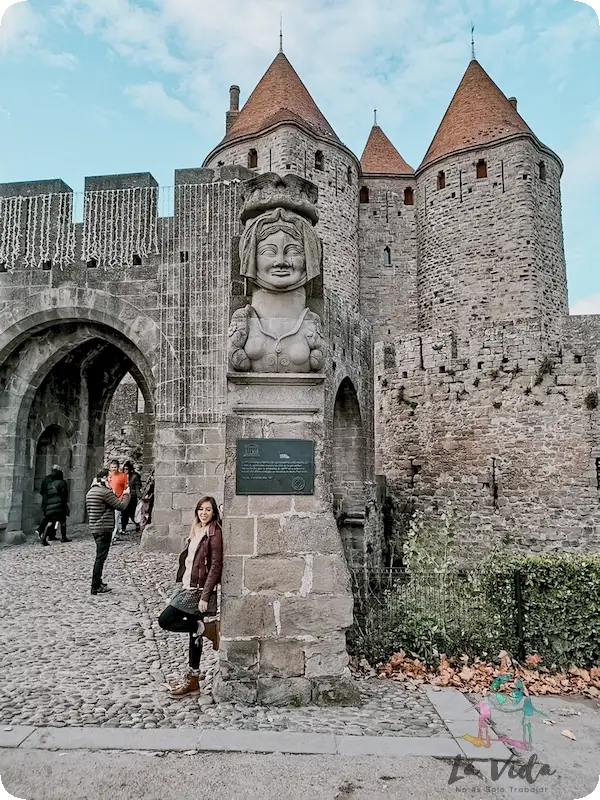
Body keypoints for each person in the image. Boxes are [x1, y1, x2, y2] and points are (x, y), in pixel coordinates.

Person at [158, 496, 223, 698]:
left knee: (165, 620)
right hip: (188, 586)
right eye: (201, 509)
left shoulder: (214, 533)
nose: (204, 513)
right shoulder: (197, 530)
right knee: (194, 635)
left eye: (208, 510)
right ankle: (193, 680)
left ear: (214, 513)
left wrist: (205, 596)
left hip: (198, 591)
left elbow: (216, 566)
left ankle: (205, 628)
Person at [85, 469, 131, 595]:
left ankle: (98, 581)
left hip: (95, 528)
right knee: (100, 557)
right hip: (104, 528)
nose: (111, 479)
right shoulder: (105, 492)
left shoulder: (90, 492)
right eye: (109, 477)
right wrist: (126, 494)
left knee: (100, 556)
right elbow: (121, 506)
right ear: (104, 478)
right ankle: (95, 585)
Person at [37, 465, 71, 545]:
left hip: (49, 505)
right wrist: (65, 504)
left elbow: (45, 493)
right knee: (62, 521)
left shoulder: (50, 483)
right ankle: (64, 537)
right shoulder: (62, 483)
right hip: (59, 505)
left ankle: (44, 538)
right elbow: (64, 495)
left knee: (50, 522)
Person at [108, 459, 128, 543]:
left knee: (115, 519)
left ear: (118, 467)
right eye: (112, 467)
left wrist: (122, 498)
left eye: (115, 467)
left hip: (118, 500)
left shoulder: (123, 476)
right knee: (110, 519)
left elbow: (125, 488)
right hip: (108, 500)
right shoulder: (108, 476)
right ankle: (115, 534)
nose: (113, 469)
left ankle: (111, 538)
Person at [121, 460, 142, 533]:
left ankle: (137, 525)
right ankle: (123, 528)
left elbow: (137, 487)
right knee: (124, 513)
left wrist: (139, 496)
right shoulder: (122, 476)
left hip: (132, 497)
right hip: (124, 496)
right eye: (124, 469)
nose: (125, 470)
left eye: (127, 469)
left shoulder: (134, 476)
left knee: (133, 512)